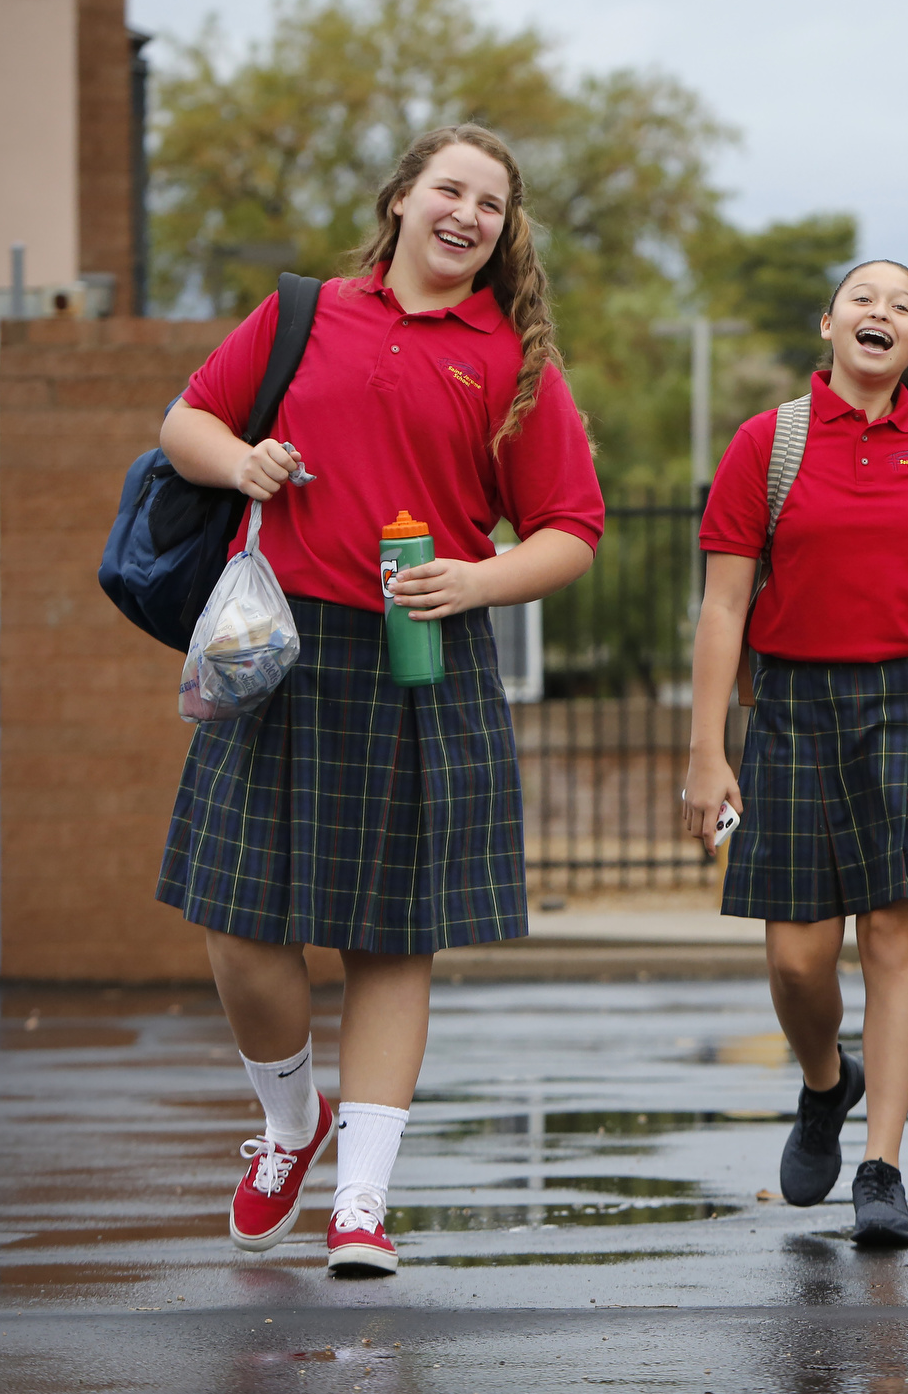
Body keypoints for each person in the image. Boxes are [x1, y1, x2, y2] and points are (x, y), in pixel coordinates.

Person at [156, 124, 604, 1278]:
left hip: (424, 655)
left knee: (391, 942)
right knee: (237, 926)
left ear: (504, 234)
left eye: (491, 205)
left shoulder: (512, 358)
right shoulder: (302, 312)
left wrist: (478, 579)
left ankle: (361, 1202)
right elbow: (185, 423)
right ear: (401, 198)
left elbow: (573, 531)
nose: (466, 214)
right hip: (278, 648)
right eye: (448, 190)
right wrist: (239, 459)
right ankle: (291, 1125)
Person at [684, 259, 908, 1248]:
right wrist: (706, 750)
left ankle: (883, 1163)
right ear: (828, 325)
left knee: (894, 941)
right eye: (862, 299)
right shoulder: (767, 443)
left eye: (900, 307)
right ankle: (826, 1082)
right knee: (795, 958)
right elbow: (723, 606)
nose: (879, 313)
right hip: (791, 706)